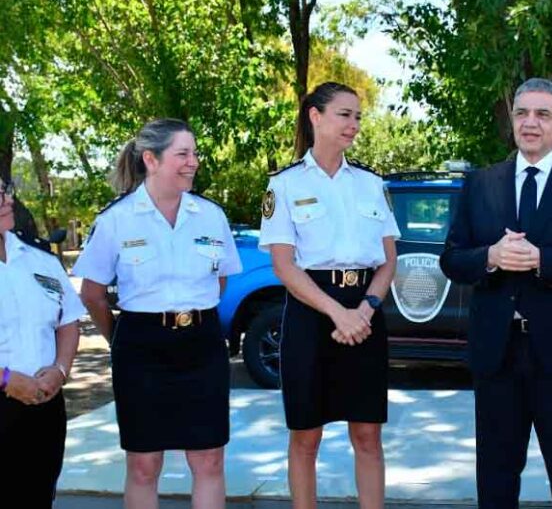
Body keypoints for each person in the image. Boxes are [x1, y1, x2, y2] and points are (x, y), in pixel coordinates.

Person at [440, 78, 552, 509]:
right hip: (497, 353)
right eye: (522, 113)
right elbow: (452, 259)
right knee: (496, 475)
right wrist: (491, 255)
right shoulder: (481, 183)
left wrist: (543, 260)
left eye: (542, 114)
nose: (530, 123)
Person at [73, 119, 242, 509]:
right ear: (151, 159)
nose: (193, 162)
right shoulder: (117, 219)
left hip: (201, 343)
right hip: (141, 347)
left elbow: (218, 282)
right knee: (144, 464)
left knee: (209, 458)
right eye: (182, 154)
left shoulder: (210, 216)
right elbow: (93, 294)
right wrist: (120, 337)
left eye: (194, 153)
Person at [258, 81, 399, 509]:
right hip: (310, 312)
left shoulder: (371, 184)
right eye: (345, 114)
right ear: (315, 116)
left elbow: (388, 260)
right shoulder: (283, 185)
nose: (354, 124)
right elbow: (284, 266)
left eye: (358, 116)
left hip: (365, 313)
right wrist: (339, 314)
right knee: (306, 435)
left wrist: (367, 308)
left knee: (368, 433)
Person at [0, 177, 84, 508]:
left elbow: (68, 321)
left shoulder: (39, 259)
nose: (7, 200)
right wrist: (6, 379)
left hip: (44, 404)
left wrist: (60, 370)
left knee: (37, 495)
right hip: (6, 393)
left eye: (4, 191)